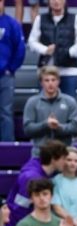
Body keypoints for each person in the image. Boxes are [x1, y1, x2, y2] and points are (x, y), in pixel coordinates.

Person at [6, 139, 67, 226]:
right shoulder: (30, 178)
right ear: (53, 159)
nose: (66, 162)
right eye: (63, 158)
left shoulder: (41, 169)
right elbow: (19, 209)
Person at [27, 0, 77, 99]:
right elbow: (32, 41)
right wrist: (45, 50)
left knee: (68, 105)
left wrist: (69, 52)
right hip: (46, 70)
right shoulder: (40, 19)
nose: (56, 1)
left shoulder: (75, 18)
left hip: (69, 70)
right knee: (44, 107)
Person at [22, 66, 77, 156]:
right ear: (41, 82)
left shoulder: (70, 101)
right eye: (47, 80)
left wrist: (58, 127)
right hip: (40, 153)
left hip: (63, 153)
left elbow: (75, 127)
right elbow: (27, 129)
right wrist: (45, 125)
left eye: (53, 80)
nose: (50, 83)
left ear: (59, 81)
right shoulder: (32, 102)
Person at [0, 0, 25, 142]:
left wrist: (11, 68)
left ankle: (6, 145)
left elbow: (20, 49)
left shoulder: (12, 24)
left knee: (5, 112)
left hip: (5, 76)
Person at [51, 146, 77, 226]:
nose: (73, 163)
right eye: (69, 160)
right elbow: (56, 207)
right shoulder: (55, 181)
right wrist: (72, 222)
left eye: (76, 161)